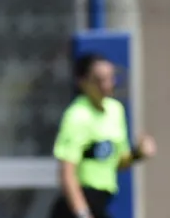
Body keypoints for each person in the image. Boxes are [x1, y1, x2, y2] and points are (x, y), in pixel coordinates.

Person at [50, 54, 156, 218]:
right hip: (78, 205)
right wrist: (82, 213)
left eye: (109, 78)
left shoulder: (115, 111)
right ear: (83, 82)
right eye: (98, 80)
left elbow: (117, 161)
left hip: (102, 200)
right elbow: (67, 173)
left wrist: (138, 154)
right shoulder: (77, 116)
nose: (106, 85)